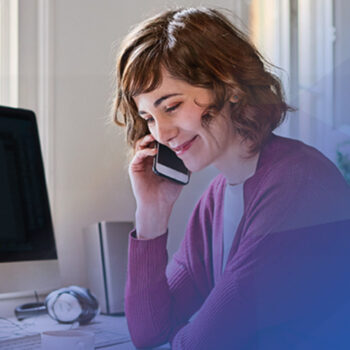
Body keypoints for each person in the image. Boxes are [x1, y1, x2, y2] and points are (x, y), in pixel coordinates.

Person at [113, 7, 350, 349]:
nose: (161, 133)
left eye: (172, 106)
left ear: (231, 87)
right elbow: (149, 333)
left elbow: (201, 344)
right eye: (148, 117)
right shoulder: (215, 199)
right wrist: (151, 212)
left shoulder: (298, 181)